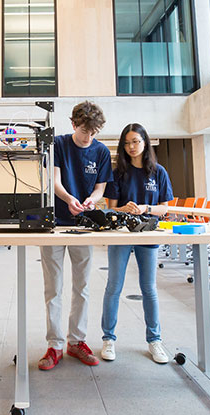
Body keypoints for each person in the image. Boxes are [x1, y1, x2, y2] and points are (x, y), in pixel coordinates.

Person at [38, 101, 112, 370]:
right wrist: (70, 198)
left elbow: (100, 189)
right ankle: (55, 344)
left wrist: (91, 201)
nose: (88, 138)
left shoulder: (101, 151)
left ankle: (76, 341)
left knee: (82, 286)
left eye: (93, 133)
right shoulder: (57, 144)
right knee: (53, 288)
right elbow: (54, 181)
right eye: (84, 132)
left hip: (83, 225)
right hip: (55, 223)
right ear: (73, 124)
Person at [100, 123, 173, 364]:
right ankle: (108, 339)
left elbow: (165, 208)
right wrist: (123, 208)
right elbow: (110, 209)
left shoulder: (158, 172)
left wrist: (146, 208)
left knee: (149, 289)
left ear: (145, 143)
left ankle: (155, 340)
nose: (131, 147)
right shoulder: (117, 172)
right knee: (114, 286)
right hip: (121, 234)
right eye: (127, 143)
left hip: (148, 233)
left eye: (136, 142)